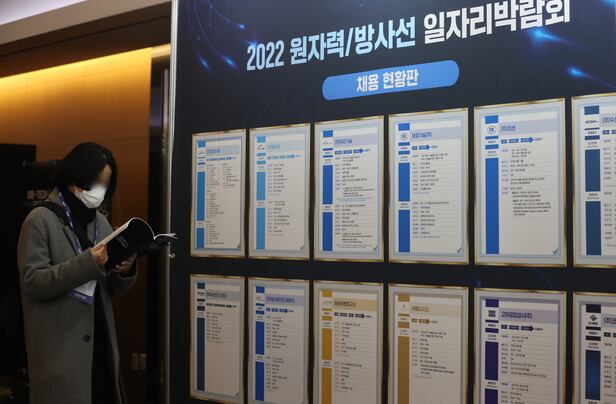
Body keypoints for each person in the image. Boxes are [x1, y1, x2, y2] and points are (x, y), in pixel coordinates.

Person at [17, 142, 137, 404]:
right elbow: (34, 282)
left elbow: (109, 289)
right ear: (76, 177)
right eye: (97, 183)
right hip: (61, 352)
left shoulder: (100, 222)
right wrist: (87, 263)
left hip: (100, 344)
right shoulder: (40, 220)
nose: (100, 192)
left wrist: (124, 271)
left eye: (106, 185)